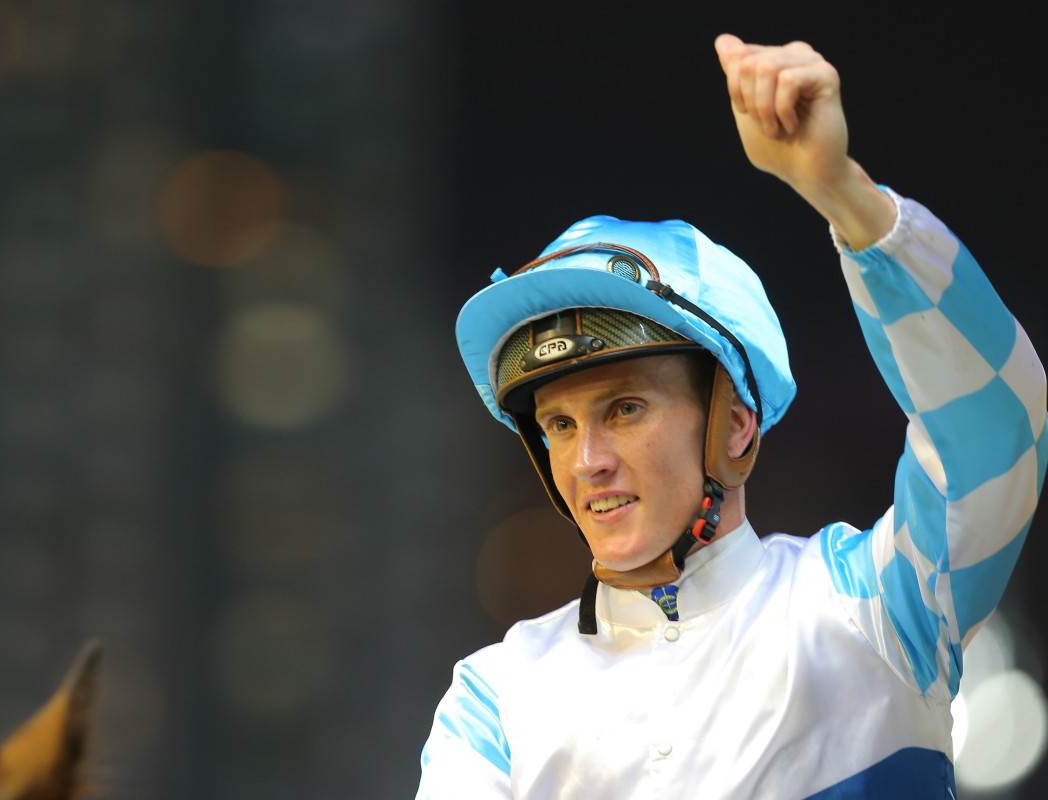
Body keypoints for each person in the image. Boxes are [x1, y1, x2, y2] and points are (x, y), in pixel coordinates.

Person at [415, 33, 1047, 799]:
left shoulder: (874, 608)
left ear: (737, 424)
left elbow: (996, 429)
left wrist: (845, 195)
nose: (587, 462)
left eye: (625, 409)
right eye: (560, 426)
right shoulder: (492, 702)